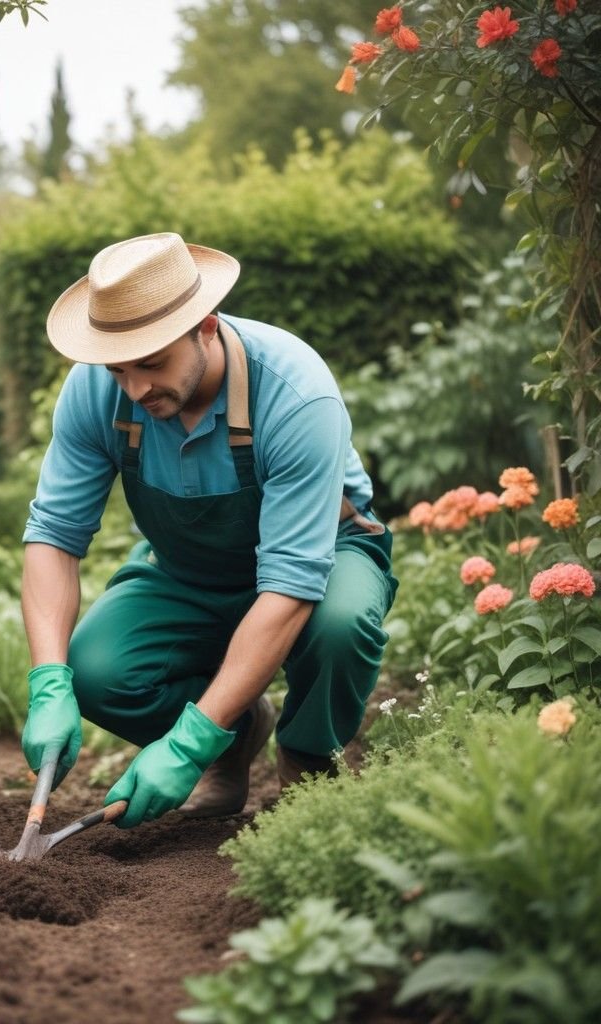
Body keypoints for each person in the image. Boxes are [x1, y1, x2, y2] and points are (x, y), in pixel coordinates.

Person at [20, 232, 397, 829]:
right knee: (94, 670)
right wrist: (48, 683)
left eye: (151, 363)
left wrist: (189, 740)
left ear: (206, 326)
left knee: (339, 625)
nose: (135, 389)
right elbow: (54, 537)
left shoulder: (296, 395)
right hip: (187, 569)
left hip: (319, 564)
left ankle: (304, 763)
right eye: (118, 368)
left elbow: (293, 582)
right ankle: (240, 733)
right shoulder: (96, 392)